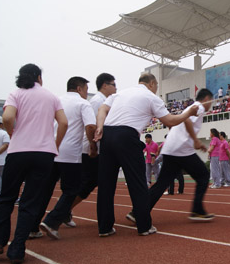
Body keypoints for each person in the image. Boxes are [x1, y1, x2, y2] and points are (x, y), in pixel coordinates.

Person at [94, 73, 198, 237]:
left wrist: (99, 126)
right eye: (156, 86)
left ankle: (105, 227)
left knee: (106, 184)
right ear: (151, 84)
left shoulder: (122, 93)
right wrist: (189, 112)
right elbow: (170, 121)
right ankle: (144, 226)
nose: (156, 90)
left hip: (107, 135)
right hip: (127, 136)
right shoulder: (150, 97)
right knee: (138, 182)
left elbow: (102, 109)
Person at [0, 63, 68, 264]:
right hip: (44, 154)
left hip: (18, 151)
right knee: (30, 201)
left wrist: (14, 133)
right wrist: (54, 145)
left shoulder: (16, 94)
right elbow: (64, 123)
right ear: (39, 77)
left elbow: (7, 117)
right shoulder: (51, 96)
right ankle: (17, 248)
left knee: (6, 198)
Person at [36, 77, 97, 240]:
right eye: (85, 89)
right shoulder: (83, 104)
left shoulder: (56, 101)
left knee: (45, 190)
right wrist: (92, 145)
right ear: (79, 88)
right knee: (71, 190)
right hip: (69, 154)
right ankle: (52, 221)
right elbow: (90, 126)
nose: (86, 92)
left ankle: (32, 226)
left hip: (50, 149)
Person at [142, 88, 214, 222]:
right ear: (206, 99)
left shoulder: (193, 107)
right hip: (181, 150)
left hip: (171, 148)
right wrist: (196, 140)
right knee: (203, 175)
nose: (211, 105)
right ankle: (197, 210)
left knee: (162, 183)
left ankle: (138, 211)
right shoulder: (199, 107)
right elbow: (186, 121)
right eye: (211, 101)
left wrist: (195, 141)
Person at [69, 73, 117, 224]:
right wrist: (93, 147)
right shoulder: (97, 101)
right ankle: (61, 212)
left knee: (90, 183)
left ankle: (62, 211)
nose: (116, 88)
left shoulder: (105, 100)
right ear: (104, 85)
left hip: (96, 148)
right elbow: (92, 125)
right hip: (91, 149)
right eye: (113, 84)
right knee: (87, 184)